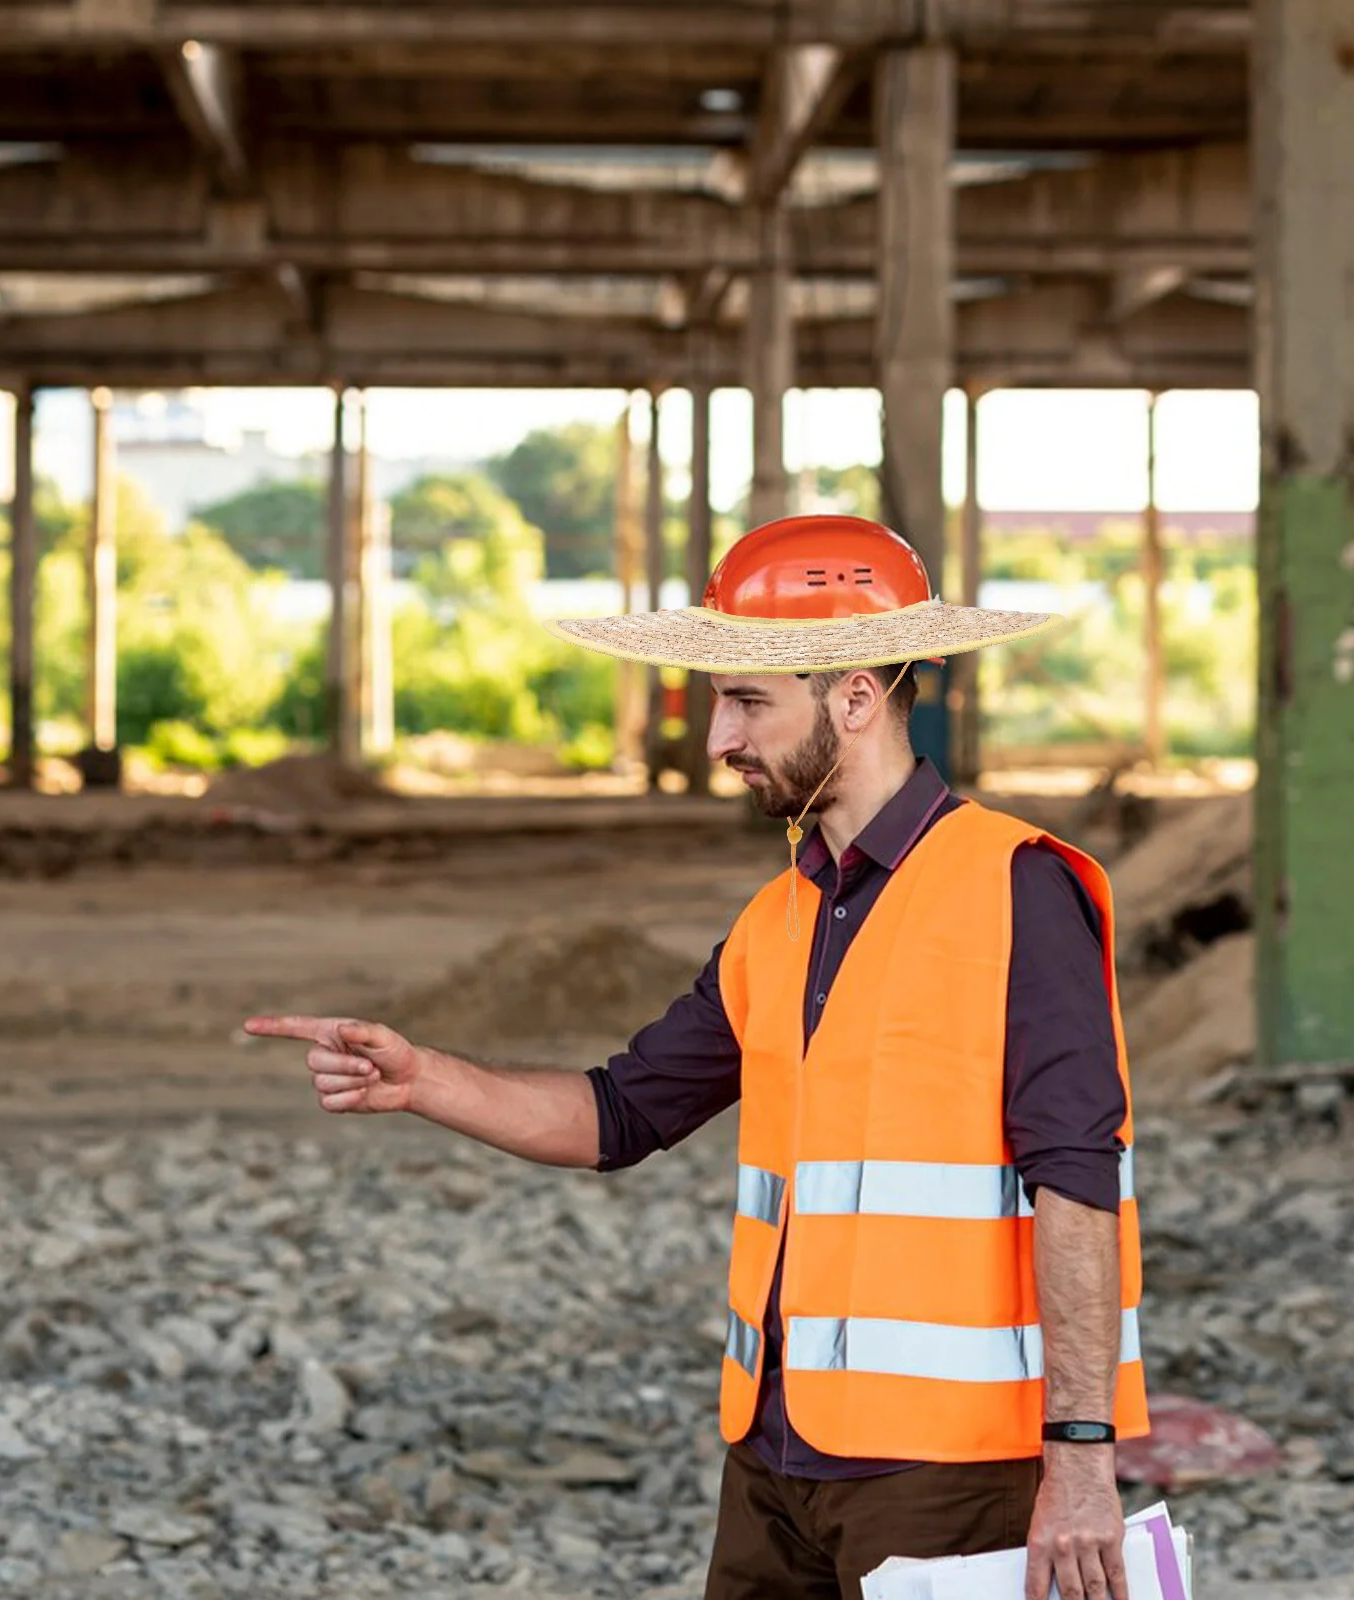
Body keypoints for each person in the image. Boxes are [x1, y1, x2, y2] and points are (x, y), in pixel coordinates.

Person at [246, 514, 1148, 1600]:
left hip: (946, 1474)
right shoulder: (780, 920)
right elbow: (619, 1114)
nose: (718, 737)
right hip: (774, 1462)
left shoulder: (1016, 888)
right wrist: (423, 1077)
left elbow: (1078, 1180)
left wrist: (1083, 1459)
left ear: (855, 696)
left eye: (747, 701)